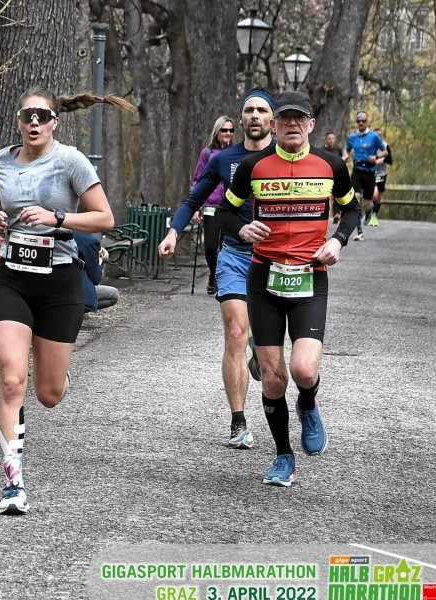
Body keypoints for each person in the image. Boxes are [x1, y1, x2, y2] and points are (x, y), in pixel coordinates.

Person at [0, 87, 130, 515]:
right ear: (19, 121)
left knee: (49, 393)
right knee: (10, 380)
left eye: (43, 115)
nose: (35, 122)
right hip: (13, 279)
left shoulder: (70, 160)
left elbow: (105, 217)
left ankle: (55, 372)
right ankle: (13, 483)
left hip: (60, 282)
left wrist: (56, 218)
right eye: (28, 115)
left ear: (55, 122)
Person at [216, 90, 360, 487]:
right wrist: (242, 227)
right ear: (276, 125)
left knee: (303, 368)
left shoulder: (332, 165)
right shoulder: (252, 166)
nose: (293, 125)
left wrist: (338, 240)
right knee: (274, 377)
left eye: (301, 119)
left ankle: (309, 404)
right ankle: (283, 456)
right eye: (286, 119)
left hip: (310, 277)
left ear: (312, 125)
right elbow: (224, 212)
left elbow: (352, 209)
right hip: (264, 279)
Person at [158, 89, 277, 450]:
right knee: (235, 332)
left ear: (272, 119)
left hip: (275, 258)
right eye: (249, 110)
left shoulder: (284, 157)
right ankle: (238, 422)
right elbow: (194, 199)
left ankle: (264, 347)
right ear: (241, 120)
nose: (255, 116)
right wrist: (173, 231)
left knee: (271, 348)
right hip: (236, 256)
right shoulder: (224, 159)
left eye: (262, 110)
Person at [189, 115, 236, 295]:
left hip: (231, 207)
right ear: (217, 132)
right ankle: (213, 273)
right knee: (210, 246)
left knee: (225, 246)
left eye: (231, 130)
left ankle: (218, 277)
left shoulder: (237, 152)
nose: (228, 133)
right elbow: (197, 180)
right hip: (210, 205)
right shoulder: (207, 153)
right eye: (224, 130)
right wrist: (195, 207)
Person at [344, 111, 386, 240]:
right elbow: (348, 149)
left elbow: (385, 152)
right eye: (359, 121)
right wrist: (345, 156)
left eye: (363, 121)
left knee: (367, 203)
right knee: (355, 198)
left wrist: (377, 156)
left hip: (369, 172)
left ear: (367, 122)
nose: (361, 123)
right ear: (356, 123)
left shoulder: (374, 136)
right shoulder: (352, 137)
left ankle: (368, 212)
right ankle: (359, 232)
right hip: (357, 171)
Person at [74, 231, 120, 312]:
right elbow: (95, 279)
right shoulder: (88, 240)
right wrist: (99, 261)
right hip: (74, 291)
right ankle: (78, 311)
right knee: (114, 294)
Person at [371, 127, 392, 226]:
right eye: (376, 135)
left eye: (380, 135)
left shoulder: (385, 146)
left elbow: (390, 160)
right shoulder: (370, 146)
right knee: (374, 194)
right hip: (371, 173)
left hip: (382, 174)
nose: (378, 136)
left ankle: (374, 215)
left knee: (379, 196)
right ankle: (369, 213)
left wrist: (382, 160)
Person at [324, 132, 346, 223]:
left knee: (337, 194)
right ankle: (325, 213)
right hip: (326, 175)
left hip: (336, 175)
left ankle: (336, 214)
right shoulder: (322, 150)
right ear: (326, 139)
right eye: (329, 138)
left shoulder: (338, 149)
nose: (331, 140)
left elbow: (342, 160)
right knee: (326, 196)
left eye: (333, 138)